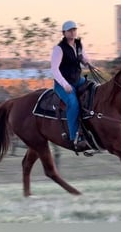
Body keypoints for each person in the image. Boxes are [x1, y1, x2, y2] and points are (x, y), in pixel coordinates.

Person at [50, 20, 89, 151]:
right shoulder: (59, 49)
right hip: (63, 84)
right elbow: (54, 70)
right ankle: (74, 137)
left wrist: (88, 62)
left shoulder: (78, 44)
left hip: (77, 79)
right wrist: (65, 84)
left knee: (94, 88)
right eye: (70, 30)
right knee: (73, 103)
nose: (73, 32)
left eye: (74, 30)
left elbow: (83, 58)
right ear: (64, 33)